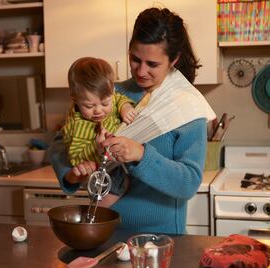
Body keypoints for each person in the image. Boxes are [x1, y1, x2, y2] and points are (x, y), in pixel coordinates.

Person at [48, 7, 216, 234]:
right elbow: (61, 140)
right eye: (135, 59)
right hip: (103, 232)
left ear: (173, 60)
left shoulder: (186, 107)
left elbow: (188, 183)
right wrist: (72, 173)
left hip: (160, 237)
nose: (141, 71)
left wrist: (141, 155)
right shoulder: (108, 94)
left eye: (152, 64)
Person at [62, 57, 136, 206]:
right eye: (89, 106)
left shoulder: (113, 96)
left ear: (112, 91)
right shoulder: (75, 126)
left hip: (126, 157)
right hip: (104, 171)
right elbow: (75, 157)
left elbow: (119, 99)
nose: (98, 111)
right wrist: (96, 148)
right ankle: (100, 210)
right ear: (74, 99)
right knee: (102, 202)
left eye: (105, 103)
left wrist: (125, 107)